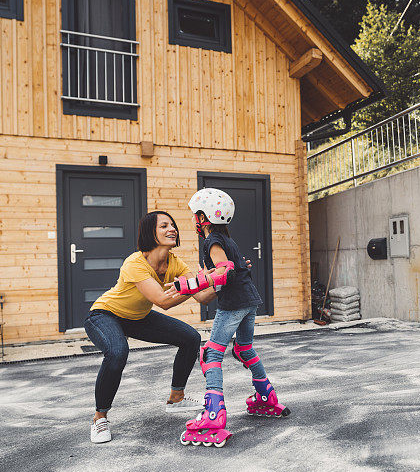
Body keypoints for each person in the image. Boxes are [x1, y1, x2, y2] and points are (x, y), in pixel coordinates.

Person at [84, 210, 216, 444]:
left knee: (190, 338)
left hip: (138, 317)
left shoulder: (175, 263)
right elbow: (163, 301)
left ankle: (176, 398)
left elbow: (203, 297)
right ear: (150, 233)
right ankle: (99, 417)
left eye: (172, 225)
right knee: (117, 353)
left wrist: (221, 278)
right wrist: (195, 284)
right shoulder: (135, 262)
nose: (171, 229)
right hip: (105, 314)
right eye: (164, 226)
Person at [178, 188, 290, 448]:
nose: (194, 220)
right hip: (249, 301)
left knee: (211, 354)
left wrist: (189, 284)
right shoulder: (227, 240)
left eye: (196, 215)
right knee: (244, 349)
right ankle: (267, 398)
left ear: (204, 218)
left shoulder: (213, 241)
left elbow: (224, 271)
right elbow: (230, 268)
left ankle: (213, 417)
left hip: (234, 304)